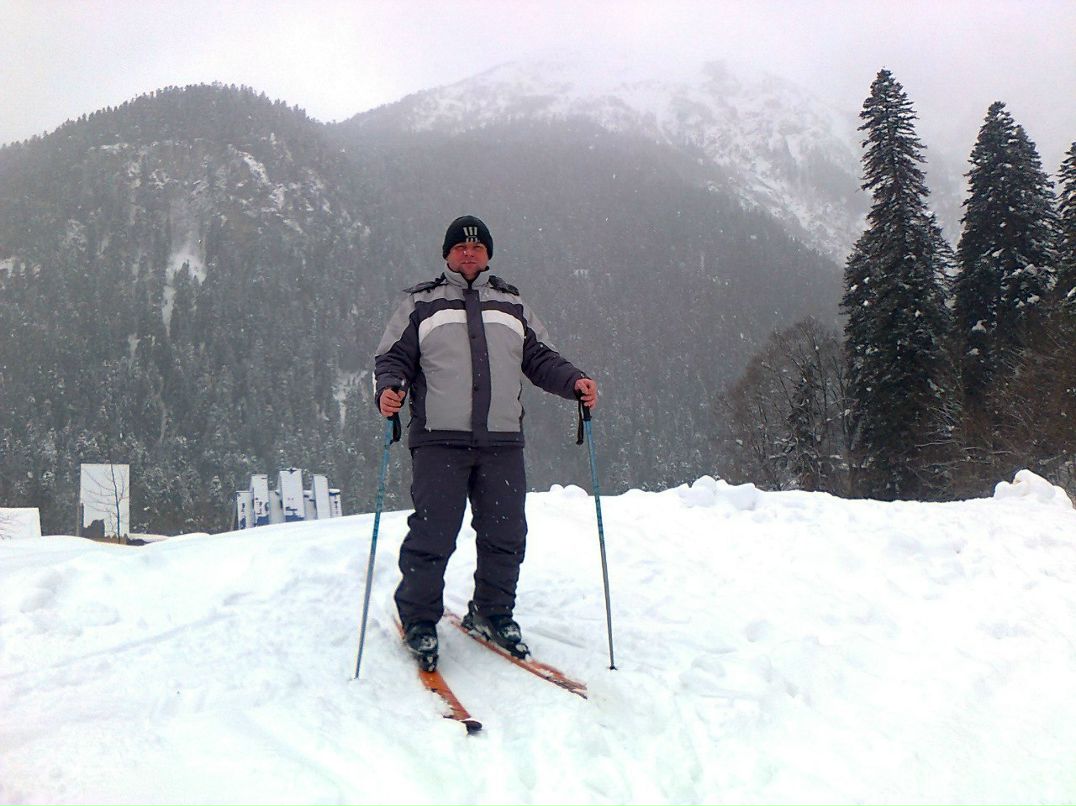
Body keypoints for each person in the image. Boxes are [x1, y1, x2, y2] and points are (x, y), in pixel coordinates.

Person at [374, 215, 598, 670]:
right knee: (433, 534)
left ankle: (493, 614)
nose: (469, 253)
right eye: (460, 247)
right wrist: (389, 388)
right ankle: (419, 621)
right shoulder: (421, 303)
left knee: (506, 534)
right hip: (439, 441)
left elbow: (539, 358)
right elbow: (394, 356)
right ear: (447, 254)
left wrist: (574, 380)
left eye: (477, 247)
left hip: (501, 442)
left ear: (489, 254)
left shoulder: (513, 306)